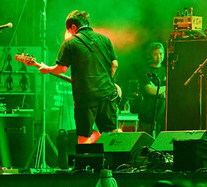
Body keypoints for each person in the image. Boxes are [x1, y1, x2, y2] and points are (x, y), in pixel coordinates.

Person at [39, 10, 121, 144]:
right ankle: (117, 164)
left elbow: (62, 68)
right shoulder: (105, 39)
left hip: (85, 96)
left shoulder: (70, 43)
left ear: (73, 27)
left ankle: (86, 164)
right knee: (111, 133)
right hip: (107, 94)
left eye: (68, 30)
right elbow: (114, 64)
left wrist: (48, 69)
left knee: (84, 135)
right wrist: (107, 81)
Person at [136, 42, 166, 136]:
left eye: (161, 54)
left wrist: (157, 89)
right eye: (155, 54)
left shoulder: (167, 70)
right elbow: (150, 90)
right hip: (147, 114)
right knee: (146, 141)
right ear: (150, 55)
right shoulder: (145, 71)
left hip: (162, 115)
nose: (159, 57)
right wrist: (166, 87)